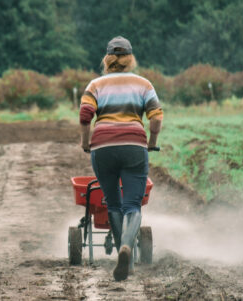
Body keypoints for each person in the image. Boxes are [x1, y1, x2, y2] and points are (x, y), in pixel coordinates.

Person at [79, 36, 163, 281]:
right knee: (132, 205)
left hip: (103, 147)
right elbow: (156, 118)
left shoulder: (95, 85)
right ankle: (128, 246)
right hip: (134, 146)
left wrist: (86, 143)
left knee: (113, 204)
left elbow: (85, 115)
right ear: (130, 59)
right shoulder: (144, 84)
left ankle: (121, 256)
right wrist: (152, 142)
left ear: (107, 59)